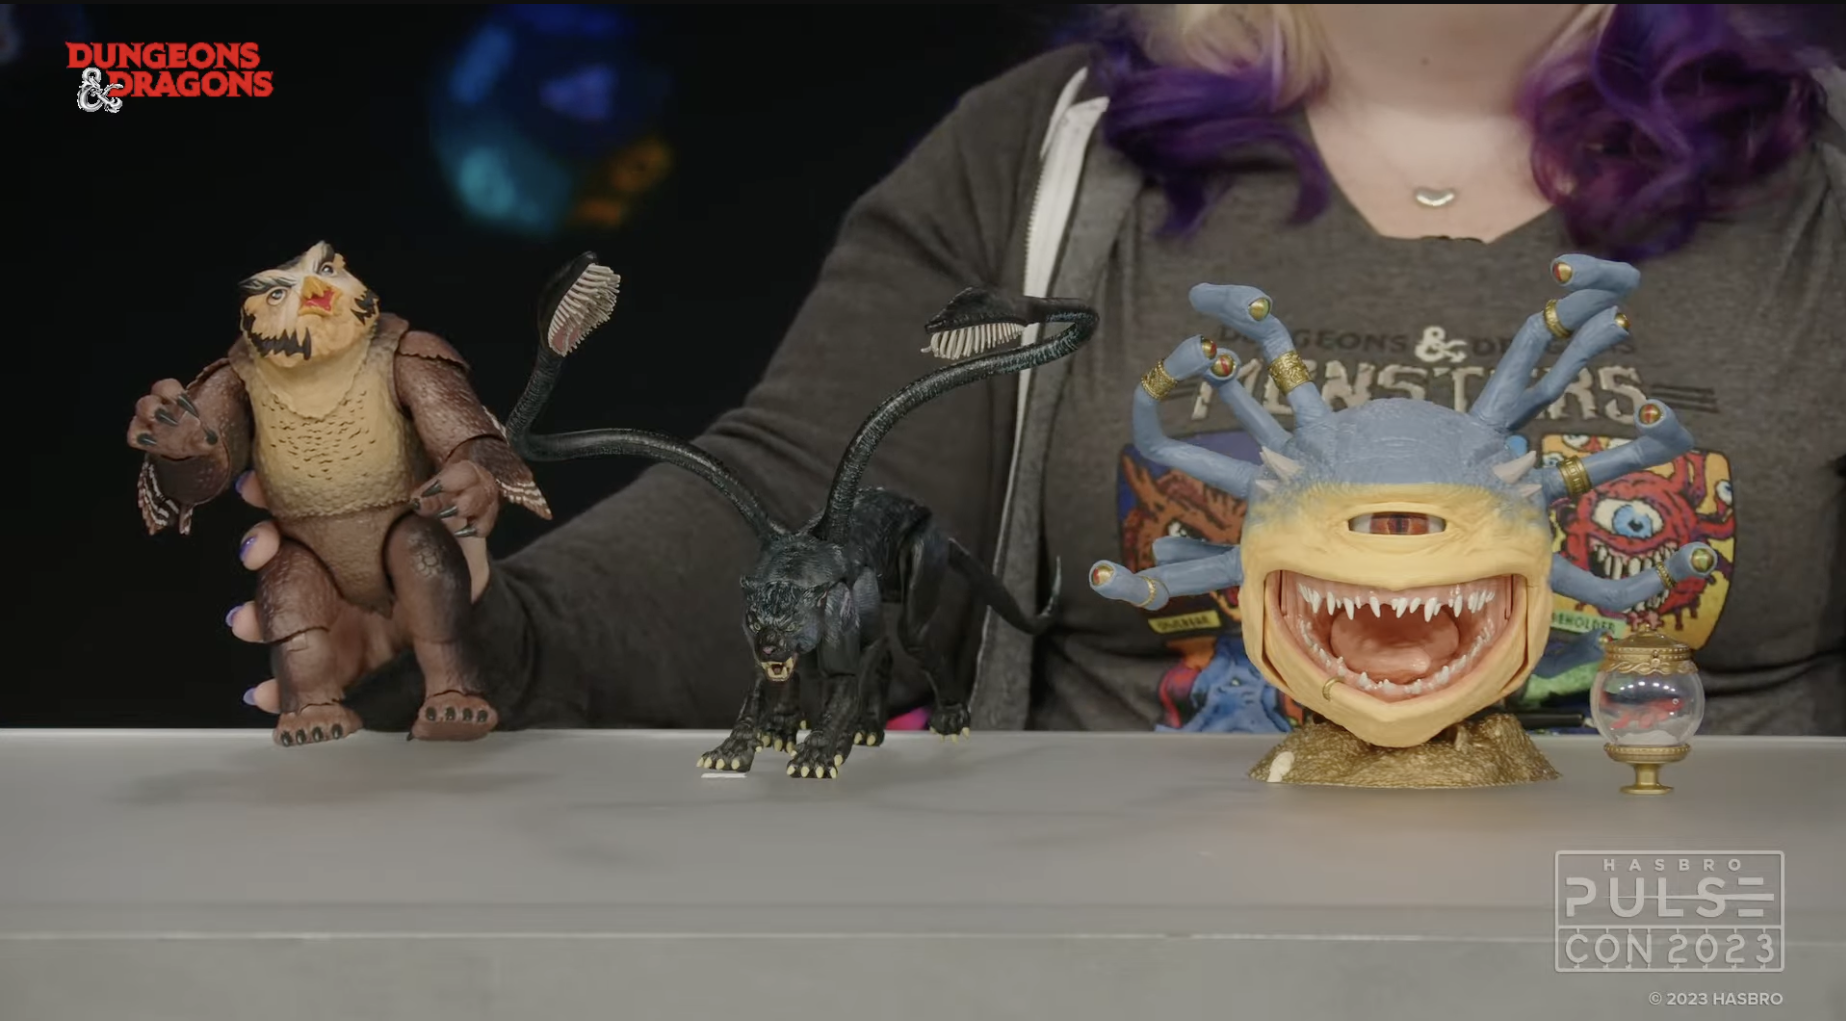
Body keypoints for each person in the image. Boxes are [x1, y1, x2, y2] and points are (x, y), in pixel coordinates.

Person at [215, 4, 1845, 738]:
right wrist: (479, 625)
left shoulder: (1817, 183)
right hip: (1134, 981)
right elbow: (806, 510)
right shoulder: (1048, 156)